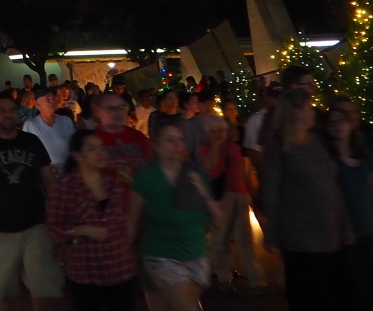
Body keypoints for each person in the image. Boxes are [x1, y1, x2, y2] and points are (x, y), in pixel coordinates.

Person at [0, 94, 64, 310]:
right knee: (3, 287)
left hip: (35, 223)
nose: (7, 114)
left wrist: (55, 214)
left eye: (11, 109)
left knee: (44, 284)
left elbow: (47, 178)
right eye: (1, 110)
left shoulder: (31, 141)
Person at [259, 88, 349, 310]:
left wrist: (345, 224)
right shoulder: (279, 146)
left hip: (328, 232)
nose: (313, 112)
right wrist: (272, 232)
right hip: (300, 237)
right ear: (296, 112)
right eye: (308, 107)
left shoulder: (315, 141)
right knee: (306, 293)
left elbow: (332, 185)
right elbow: (271, 191)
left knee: (329, 292)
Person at [129, 118, 218, 310]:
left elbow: (215, 216)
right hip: (163, 253)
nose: (177, 145)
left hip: (196, 252)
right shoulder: (148, 176)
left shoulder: (194, 173)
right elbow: (132, 218)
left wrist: (203, 193)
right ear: (157, 145)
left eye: (180, 140)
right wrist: (126, 251)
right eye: (170, 140)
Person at [47, 130, 136, 311]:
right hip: (86, 269)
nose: (100, 153)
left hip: (119, 267)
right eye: (92, 149)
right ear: (77, 155)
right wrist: (83, 230)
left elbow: (123, 219)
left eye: (102, 148)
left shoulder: (113, 181)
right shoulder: (64, 186)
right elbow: (53, 228)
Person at [199, 114, 266, 294]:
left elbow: (243, 171)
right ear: (207, 133)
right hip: (222, 196)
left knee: (245, 239)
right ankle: (224, 277)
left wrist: (249, 193)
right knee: (220, 239)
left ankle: (256, 279)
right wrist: (215, 147)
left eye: (220, 131)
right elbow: (210, 167)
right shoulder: (206, 148)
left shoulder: (234, 147)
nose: (218, 135)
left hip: (240, 194)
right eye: (213, 132)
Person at [325, 103, 373, 306]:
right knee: (354, 285)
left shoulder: (363, 156)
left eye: (341, 121)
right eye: (332, 122)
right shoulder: (328, 160)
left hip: (367, 225)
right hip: (344, 230)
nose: (337, 126)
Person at [92, 92, 150, 180]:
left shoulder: (138, 136)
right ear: (98, 112)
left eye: (122, 107)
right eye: (111, 108)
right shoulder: (92, 139)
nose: (118, 112)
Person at [24, 87, 77, 172]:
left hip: (68, 171)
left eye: (53, 98)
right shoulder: (30, 125)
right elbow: (27, 154)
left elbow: (75, 146)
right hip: (45, 173)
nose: (52, 101)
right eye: (47, 100)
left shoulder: (66, 121)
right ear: (38, 105)